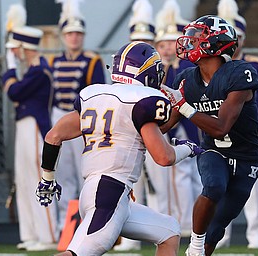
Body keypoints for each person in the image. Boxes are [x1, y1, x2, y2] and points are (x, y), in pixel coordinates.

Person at [35, 41, 204, 256]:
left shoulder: (95, 96)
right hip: (109, 191)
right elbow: (164, 157)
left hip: (102, 191)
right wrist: (188, 148)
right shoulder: (142, 100)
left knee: (169, 231)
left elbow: (54, 136)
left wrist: (47, 179)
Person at [160, 15, 258, 256]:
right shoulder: (186, 78)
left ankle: (201, 249)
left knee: (217, 227)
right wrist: (141, 108)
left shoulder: (240, 73)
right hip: (213, 150)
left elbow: (221, 126)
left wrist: (184, 105)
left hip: (247, 156)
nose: (189, 41)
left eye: (198, 37)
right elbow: (166, 125)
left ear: (215, 43)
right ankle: (195, 244)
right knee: (214, 185)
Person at [216, 0, 258, 249]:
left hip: (247, 129)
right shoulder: (214, 67)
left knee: (254, 184)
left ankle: (257, 236)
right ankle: (219, 235)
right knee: (218, 182)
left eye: (237, 37)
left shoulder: (256, 64)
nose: (234, 42)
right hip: (219, 130)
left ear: (243, 38)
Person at [113, 0, 165, 251]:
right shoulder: (125, 67)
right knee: (132, 185)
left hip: (155, 129)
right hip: (128, 131)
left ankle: (160, 230)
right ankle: (131, 238)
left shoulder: (161, 67)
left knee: (160, 186)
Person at [51, 0, 106, 236]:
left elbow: (97, 93)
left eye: (78, 34)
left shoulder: (92, 60)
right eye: (70, 33)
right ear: (63, 36)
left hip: (82, 118)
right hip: (58, 115)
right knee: (63, 172)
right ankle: (66, 224)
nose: (74, 38)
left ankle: (87, 221)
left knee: (84, 169)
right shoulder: (55, 61)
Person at [2, 23, 58, 251]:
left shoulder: (40, 71)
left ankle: (47, 234)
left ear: (25, 48)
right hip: (24, 127)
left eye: (16, 48)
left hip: (36, 128)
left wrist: (10, 70)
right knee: (24, 181)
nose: (14, 53)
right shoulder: (33, 72)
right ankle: (30, 234)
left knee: (38, 179)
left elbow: (14, 92)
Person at [154, 0, 202, 237]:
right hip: (170, 125)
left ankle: (191, 222)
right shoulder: (158, 68)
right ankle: (181, 221)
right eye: (162, 45)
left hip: (189, 123)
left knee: (192, 176)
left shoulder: (187, 66)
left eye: (171, 43)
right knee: (177, 177)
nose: (167, 48)